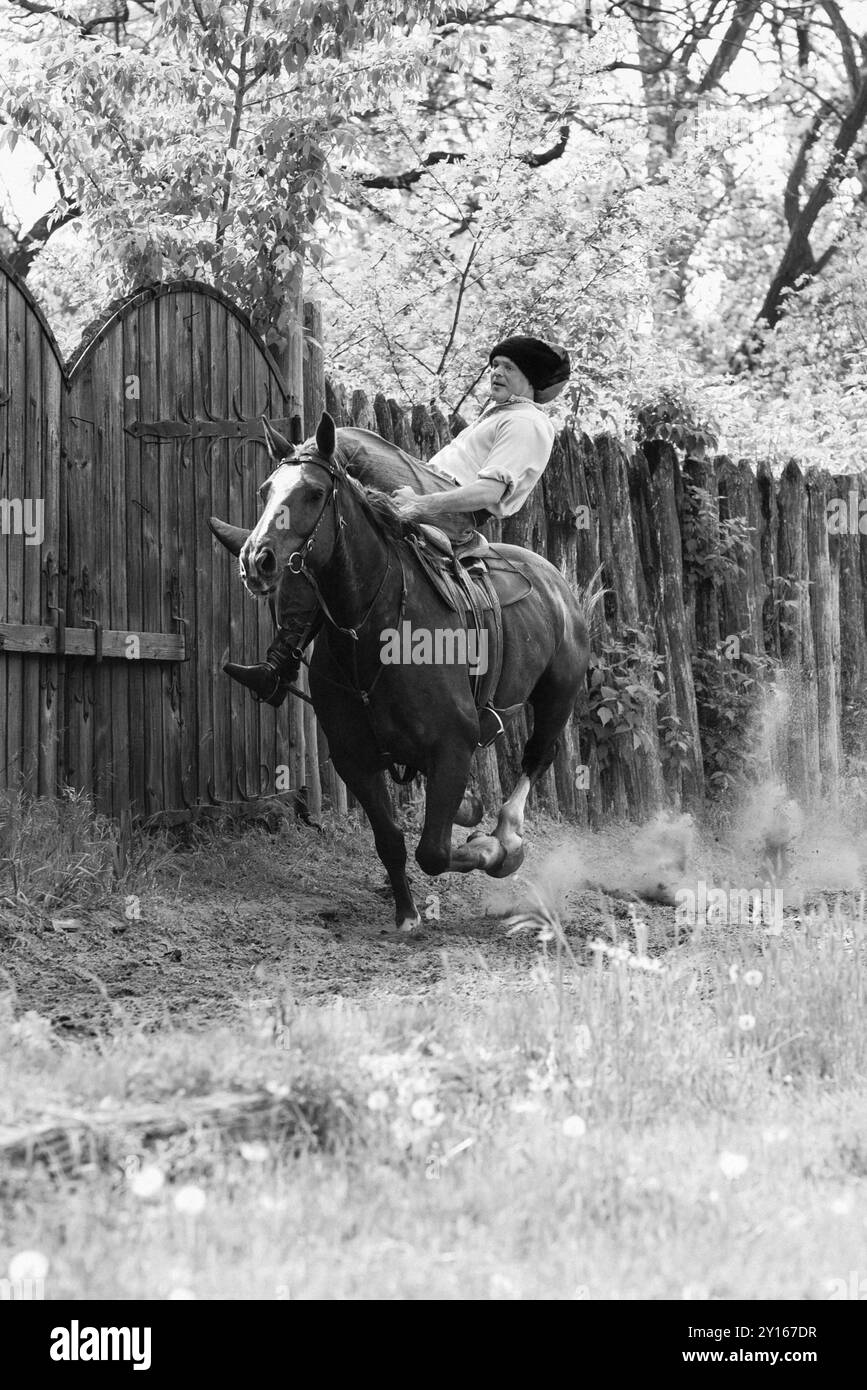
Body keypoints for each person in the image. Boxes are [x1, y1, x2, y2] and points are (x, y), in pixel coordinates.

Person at [225, 335, 570, 707]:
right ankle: (280, 662)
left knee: (346, 443)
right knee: (332, 540)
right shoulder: (501, 416)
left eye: (508, 367)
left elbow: (488, 493)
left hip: (449, 509)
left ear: (530, 380)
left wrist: (422, 505)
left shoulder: (527, 422)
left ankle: (277, 516)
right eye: (494, 365)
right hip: (433, 493)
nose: (496, 372)